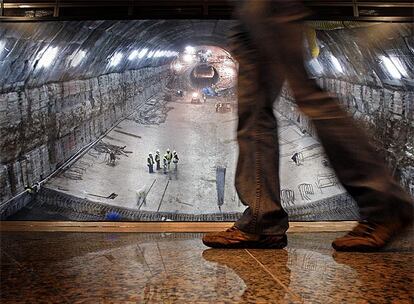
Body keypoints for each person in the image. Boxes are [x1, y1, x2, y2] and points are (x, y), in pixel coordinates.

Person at [202, 0, 414, 251]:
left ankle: (386, 204)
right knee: (254, 111)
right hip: (250, 9)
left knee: (307, 95)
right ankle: (263, 221)